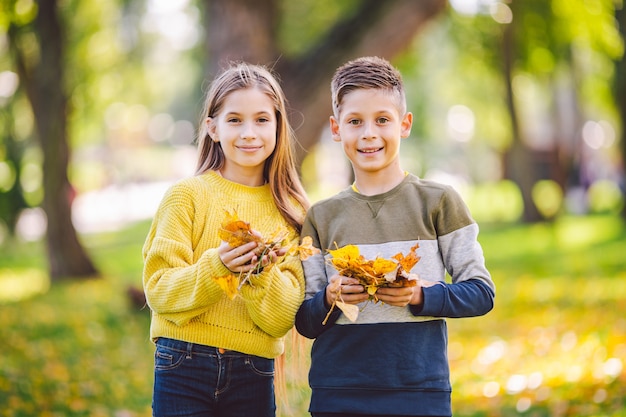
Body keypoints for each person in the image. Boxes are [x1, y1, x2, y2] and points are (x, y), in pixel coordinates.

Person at [295, 56, 496, 417]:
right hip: (338, 394)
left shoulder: (439, 202)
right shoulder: (320, 217)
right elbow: (305, 320)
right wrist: (330, 297)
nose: (369, 133)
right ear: (336, 128)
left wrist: (421, 294)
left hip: (419, 391)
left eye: (382, 120)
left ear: (404, 125)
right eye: (355, 121)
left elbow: (481, 293)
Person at [142, 62, 309, 417]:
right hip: (182, 362)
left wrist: (259, 271)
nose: (249, 132)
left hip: (253, 371)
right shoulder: (186, 196)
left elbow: (282, 319)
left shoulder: (291, 212)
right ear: (212, 128)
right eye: (235, 120)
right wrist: (219, 266)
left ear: (279, 126)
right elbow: (158, 289)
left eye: (262, 120)